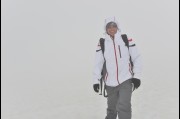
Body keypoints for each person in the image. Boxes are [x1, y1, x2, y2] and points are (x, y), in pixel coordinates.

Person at [93, 17, 142, 119]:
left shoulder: (126, 39)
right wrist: (95, 81)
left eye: (114, 26)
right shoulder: (102, 43)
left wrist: (137, 76)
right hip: (110, 83)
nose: (112, 29)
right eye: (109, 27)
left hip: (125, 79)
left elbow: (136, 58)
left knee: (124, 106)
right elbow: (98, 63)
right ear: (105, 29)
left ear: (117, 27)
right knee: (112, 109)